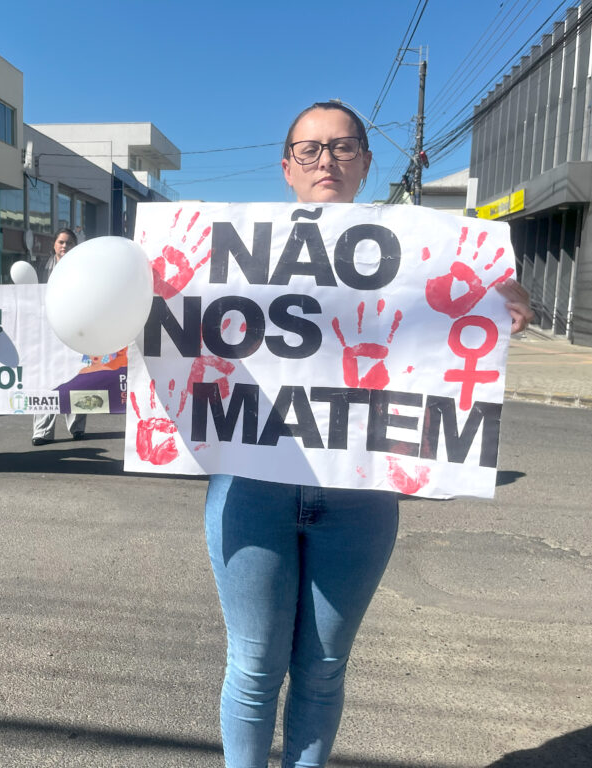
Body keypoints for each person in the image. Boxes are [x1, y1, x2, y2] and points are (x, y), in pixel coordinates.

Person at [205, 101, 534, 767]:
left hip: (360, 499)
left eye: (343, 146)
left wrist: (500, 297)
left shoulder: (416, 255)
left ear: (365, 162)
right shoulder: (231, 259)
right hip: (251, 487)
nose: (326, 160)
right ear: (287, 168)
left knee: (324, 668)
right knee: (254, 667)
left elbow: (457, 316)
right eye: (309, 149)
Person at [31, 229, 86, 446]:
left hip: (75, 329)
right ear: (54, 244)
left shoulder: (84, 269)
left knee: (76, 376)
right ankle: (42, 431)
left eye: (69, 243)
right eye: (61, 242)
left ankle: (77, 427)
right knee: (46, 379)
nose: (64, 246)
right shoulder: (40, 268)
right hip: (46, 331)